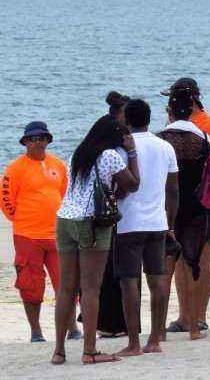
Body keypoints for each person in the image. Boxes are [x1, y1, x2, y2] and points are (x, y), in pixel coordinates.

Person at [52, 114, 140, 364]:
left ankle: (59, 351)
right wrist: (132, 153)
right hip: (92, 222)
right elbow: (133, 185)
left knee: (66, 288)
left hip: (64, 219)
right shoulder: (110, 156)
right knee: (91, 288)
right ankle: (89, 351)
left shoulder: (77, 154)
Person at [1, 122, 81, 343]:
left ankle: (73, 329)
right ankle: (36, 332)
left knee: (66, 282)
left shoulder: (58, 165)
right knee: (30, 285)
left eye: (42, 137)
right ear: (25, 141)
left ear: (48, 140)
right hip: (27, 236)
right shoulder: (15, 168)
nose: (38, 142)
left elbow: (67, 196)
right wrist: (23, 220)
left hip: (58, 234)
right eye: (33, 138)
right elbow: (6, 201)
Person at [113, 99, 178, 356]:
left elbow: (117, 186)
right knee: (157, 279)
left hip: (128, 222)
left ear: (126, 120)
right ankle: (154, 340)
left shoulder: (122, 148)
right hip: (157, 223)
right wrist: (170, 224)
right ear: (149, 119)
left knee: (129, 283)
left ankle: (133, 343)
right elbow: (173, 190)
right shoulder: (165, 147)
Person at [160, 78, 210, 334]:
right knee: (183, 260)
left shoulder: (204, 126)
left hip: (191, 200)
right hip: (191, 200)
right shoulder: (195, 132)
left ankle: (198, 316)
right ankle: (186, 317)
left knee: (194, 258)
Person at [94, 91, 142, 338]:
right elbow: (128, 184)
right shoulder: (115, 145)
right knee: (114, 271)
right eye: (126, 114)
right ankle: (111, 324)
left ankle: (116, 324)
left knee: (118, 271)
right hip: (113, 214)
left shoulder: (119, 141)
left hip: (118, 214)